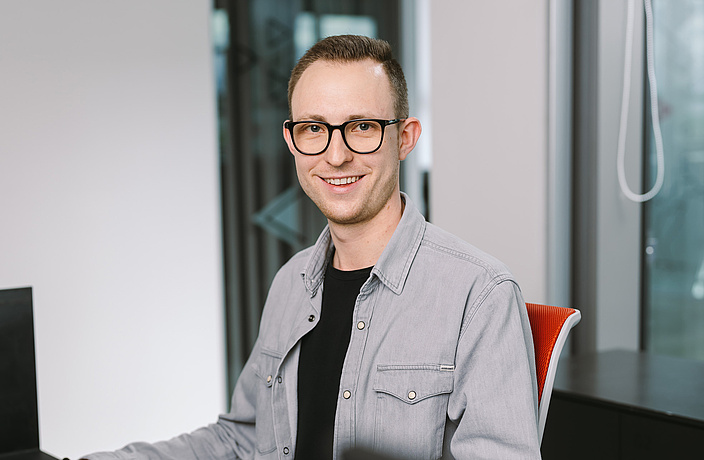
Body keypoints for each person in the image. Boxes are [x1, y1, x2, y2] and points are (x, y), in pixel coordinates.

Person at [82, 35, 540, 460]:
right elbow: (241, 439)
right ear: (292, 142)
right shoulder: (291, 283)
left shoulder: (479, 295)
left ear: (405, 138)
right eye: (314, 129)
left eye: (361, 126)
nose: (335, 155)